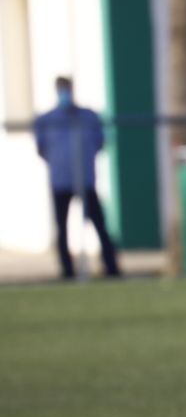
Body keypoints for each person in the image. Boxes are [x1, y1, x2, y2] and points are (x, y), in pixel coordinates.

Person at [33, 76, 120, 280]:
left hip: (85, 179)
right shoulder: (47, 120)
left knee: (99, 223)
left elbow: (100, 142)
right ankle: (67, 270)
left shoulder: (89, 117)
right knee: (62, 228)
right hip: (61, 181)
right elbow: (41, 148)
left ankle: (111, 266)